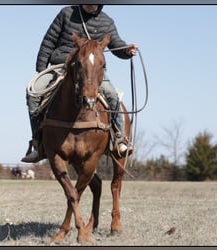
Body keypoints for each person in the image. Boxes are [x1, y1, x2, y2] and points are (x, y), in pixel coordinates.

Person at [21, 5, 138, 163]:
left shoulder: (107, 21)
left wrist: (126, 51)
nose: (90, 5)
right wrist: (41, 70)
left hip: (92, 71)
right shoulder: (66, 13)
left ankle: (119, 138)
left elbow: (116, 43)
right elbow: (48, 42)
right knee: (33, 93)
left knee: (112, 94)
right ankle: (37, 142)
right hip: (62, 65)